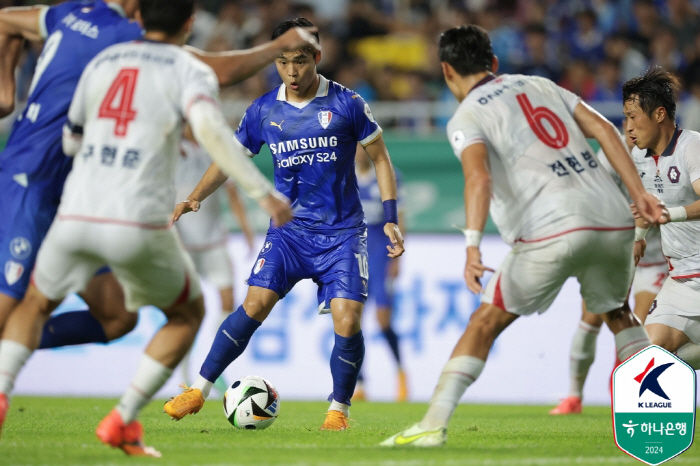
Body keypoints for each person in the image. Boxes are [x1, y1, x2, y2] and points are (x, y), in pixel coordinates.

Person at [0, 0, 291, 456]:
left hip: (74, 211)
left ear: (139, 16)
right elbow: (213, 131)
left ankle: (2, 389)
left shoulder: (101, 62)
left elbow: (72, 138)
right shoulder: (184, 66)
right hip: (134, 218)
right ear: (189, 23)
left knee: (42, 305)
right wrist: (264, 193)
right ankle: (123, 418)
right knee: (188, 314)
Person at [381, 25, 663, 448]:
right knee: (618, 312)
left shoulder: (466, 115)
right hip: (611, 218)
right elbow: (606, 130)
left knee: (485, 320)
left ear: (446, 71)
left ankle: (432, 423)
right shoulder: (540, 84)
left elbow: (477, 177)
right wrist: (638, 194)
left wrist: (473, 245)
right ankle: (660, 418)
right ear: (493, 63)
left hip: (552, 225)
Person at [163, 17, 405, 431]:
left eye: (300, 61)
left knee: (347, 318)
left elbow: (381, 158)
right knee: (254, 305)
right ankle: (199, 390)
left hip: (342, 233)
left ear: (317, 57)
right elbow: (231, 160)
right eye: (282, 62)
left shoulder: (347, 103)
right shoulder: (263, 110)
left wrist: (391, 217)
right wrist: (195, 197)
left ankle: (338, 411)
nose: (291, 72)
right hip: (289, 234)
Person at [550, 133, 668, 415]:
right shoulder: (611, 159)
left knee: (635, 326)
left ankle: (621, 389)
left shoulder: (667, 162)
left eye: (636, 118)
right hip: (616, 257)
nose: (630, 128)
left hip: (654, 262)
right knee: (589, 321)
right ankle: (574, 396)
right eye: (627, 118)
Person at [624, 66, 700, 369]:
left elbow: (663, 212)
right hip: (682, 278)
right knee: (648, 359)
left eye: (633, 116)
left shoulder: (692, 146)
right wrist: (637, 240)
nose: (628, 126)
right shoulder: (638, 156)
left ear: (658, 114)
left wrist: (669, 215)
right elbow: (647, 208)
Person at [175, 126, 255, 394]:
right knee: (188, 312)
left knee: (227, 302)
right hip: (183, 243)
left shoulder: (216, 152)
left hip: (214, 240)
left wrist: (245, 230)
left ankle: (214, 367)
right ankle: (186, 373)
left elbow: (232, 194)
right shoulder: (174, 151)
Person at [353, 145, 407, 402]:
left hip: (381, 257)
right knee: (353, 322)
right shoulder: (345, 176)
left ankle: (400, 373)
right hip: (354, 259)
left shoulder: (388, 176)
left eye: (362, 147)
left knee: (383, 320)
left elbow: (399, 216)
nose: (359, 152)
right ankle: (360, 383)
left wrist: (398, 252)